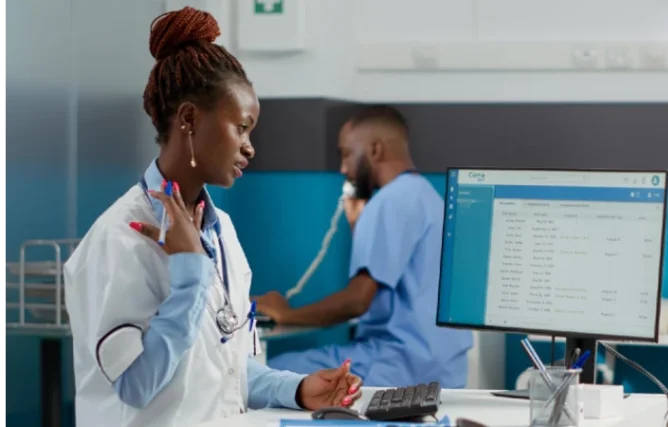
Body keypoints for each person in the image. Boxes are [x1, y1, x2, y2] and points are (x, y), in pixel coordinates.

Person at [63, 7, 362, 427]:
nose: (250, 147)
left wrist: (294, 389)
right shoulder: (120, 239)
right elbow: (135, 385)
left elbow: (224, 366)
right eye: (241, 127)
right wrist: (188, 276)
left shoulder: (221, 234)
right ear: (188, 119)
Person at [251, 105, 475, 388]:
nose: (344, 169)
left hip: (396, 365)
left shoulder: (389, 202)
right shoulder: (428, 198)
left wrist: (287, 314)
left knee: (265, 373)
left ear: (375, 150)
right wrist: (360, 227)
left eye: (346, 154)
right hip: (442, 369)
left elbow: (358, 301)